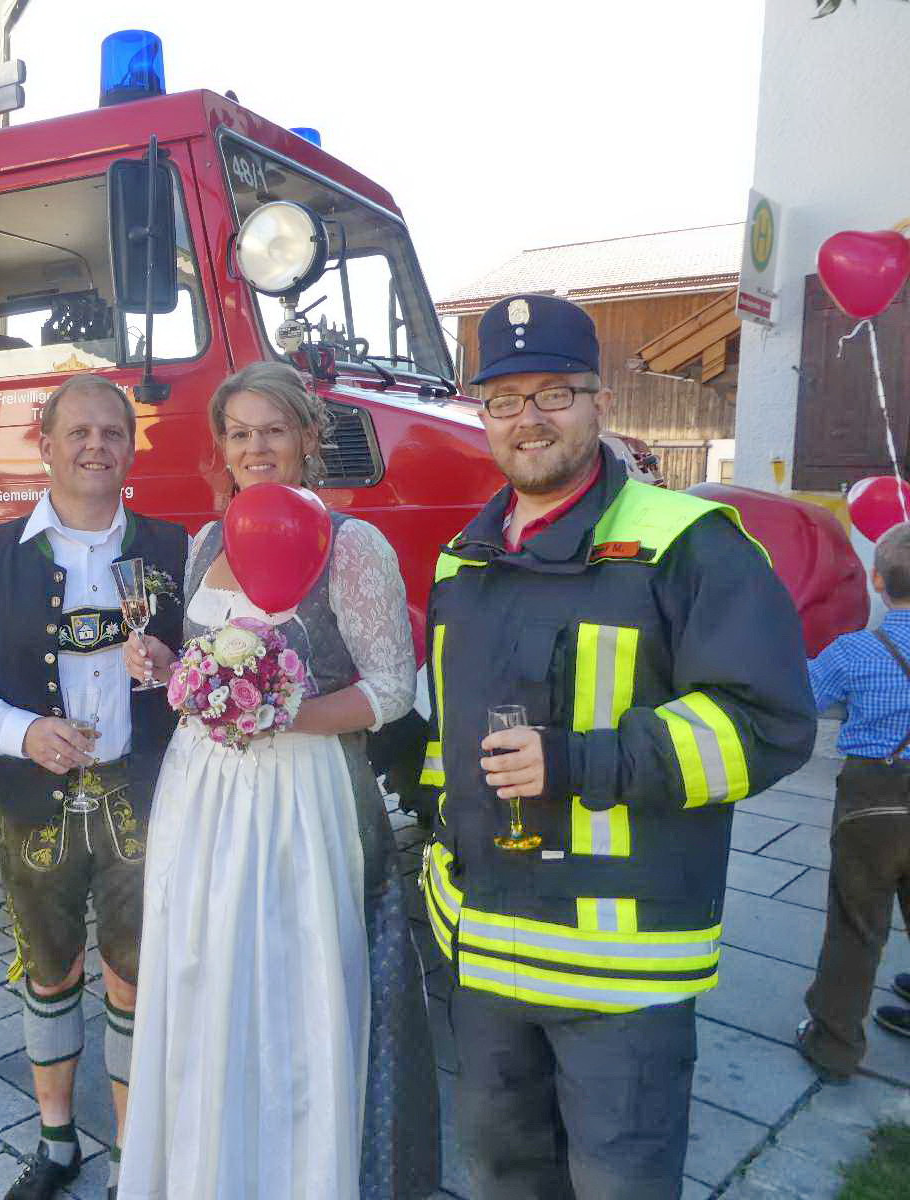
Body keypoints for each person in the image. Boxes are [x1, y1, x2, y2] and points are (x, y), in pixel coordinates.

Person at [420, 295, 817, 1199]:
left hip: (618, 975)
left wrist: (577, 761)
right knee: (501, 1179)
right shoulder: (461, 560)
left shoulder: (690, 546)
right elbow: (450, 743)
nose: (530, 418)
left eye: (555, 392)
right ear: (483, 416)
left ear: (601, 402)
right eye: (505, 398)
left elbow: (767, 722)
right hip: (484, 956)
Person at [115, 360, 439, 1200]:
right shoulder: (204, 543)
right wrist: (166, 667)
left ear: (306, 438)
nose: (256, 447)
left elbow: (393, 690)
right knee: (199, 967)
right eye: (239, 432)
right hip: (201, 791)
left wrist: (279, 713)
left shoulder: (352, 545)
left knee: (295, 978)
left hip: (304, 795)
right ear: (221, 447)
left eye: (274, 430)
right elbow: (201, 664)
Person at [0, 374, 188, 1200]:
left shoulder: (176, 546)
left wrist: (177, 671)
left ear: (131, 447)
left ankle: (127, 1162)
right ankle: (57, 1143)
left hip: (145, 794)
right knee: (49, 969)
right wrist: (20, 733)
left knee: (133, 977)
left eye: (113, 431)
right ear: (44, 445)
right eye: (78, 431)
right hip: (35, 798)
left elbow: (221, 667)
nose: (96, 446)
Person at [797, 521, 910, 1080]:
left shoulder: (856, 649)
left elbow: (805, 699)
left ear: (877, 580)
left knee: (857, 924)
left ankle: (835, 1043)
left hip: (874, 796)